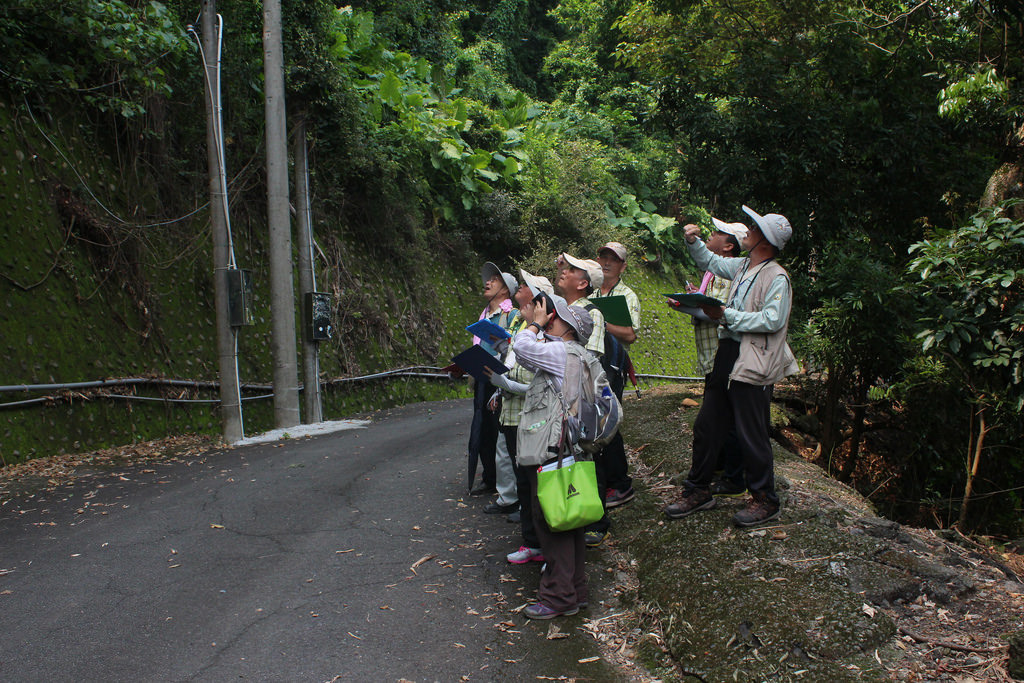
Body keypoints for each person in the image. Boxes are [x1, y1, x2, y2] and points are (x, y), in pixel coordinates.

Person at [665, 205, 798, 527]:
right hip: (727, 354)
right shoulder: (742, 266)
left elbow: (772, 319)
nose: (748, 230)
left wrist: (726, 314)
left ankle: (765, 499)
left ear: (765, 239)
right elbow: (710, 261)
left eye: (754, 227)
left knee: (751, 432)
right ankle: (698, 489)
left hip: (754, 359)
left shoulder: (777, 276)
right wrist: (694, 242)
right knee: (708, 425)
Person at [512, 293, 595, 619]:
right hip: (565, 449)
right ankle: (576, 589)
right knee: (568, 518)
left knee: (551, 522)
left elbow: (522, 348)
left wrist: (534, 323)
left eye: (552, 316)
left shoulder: (562, 351)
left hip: (552, 449)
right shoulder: (576, 354)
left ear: (566, 325)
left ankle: (559, 597)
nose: (547, 319)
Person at [486, 270, 555, 564]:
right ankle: (532, 541)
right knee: (524, 484)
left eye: (529, 296)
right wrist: (498, 392)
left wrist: (503, 384)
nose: (522, 304)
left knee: (534, 485)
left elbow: (536, 387)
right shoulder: (520, 331)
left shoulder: (544, 340)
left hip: (531, 420)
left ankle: (541, 543)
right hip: (512, 416)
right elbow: (512, 366)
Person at [556, 254, 612, 546]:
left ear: (584, 283)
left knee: (589, 457)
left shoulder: (592, 312)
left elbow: (590, 359)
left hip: (581, 397)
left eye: (572, 269)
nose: (565, 271)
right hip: (561, 394)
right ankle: (571, 512)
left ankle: (597, 521)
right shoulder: (562, 307)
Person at [690, 221, 748, 498]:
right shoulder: (715, 272)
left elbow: (720, 311)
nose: (710, 235)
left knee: (727, 417)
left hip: (721, 350)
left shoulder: (732, 272)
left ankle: (733, 476)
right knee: (719, 416)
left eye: (717, 234)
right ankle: (721, 467)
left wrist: (693, 305)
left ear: (729, 245)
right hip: (713, 351)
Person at [593, 242, 640, 509]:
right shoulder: (590, 288)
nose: (606, 262)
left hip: (612, 365)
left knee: (609, 421)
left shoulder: (627, 295)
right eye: (603, 256)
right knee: (592, 421)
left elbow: (630, 334)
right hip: (590, 361)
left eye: (613, 259)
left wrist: (599, 319)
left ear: (622, 266)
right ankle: (602, 481)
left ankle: (621, 483)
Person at [468, 263, 518, 498]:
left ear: (506, 290)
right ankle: (489, 477)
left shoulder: (512, 315)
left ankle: (503, 482)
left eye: (495, 281)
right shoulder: (484, 315)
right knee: (482, 429)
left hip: (499, 378)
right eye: (488, 280)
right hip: (481, 377)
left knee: (498, 430)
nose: (488, 283)